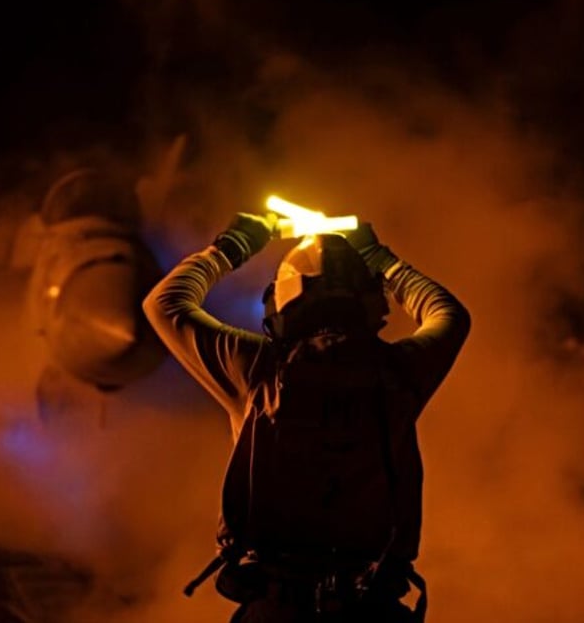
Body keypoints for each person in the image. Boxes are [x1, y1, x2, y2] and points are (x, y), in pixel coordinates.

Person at [143, 213, 470, 622]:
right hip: (372, 612)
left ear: (283, 299)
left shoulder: (256, 367)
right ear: (371, 299)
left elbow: (164, 303)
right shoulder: (401, 371)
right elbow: (450, 315)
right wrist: (381, 258)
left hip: (278, 611)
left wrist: (233, 246)